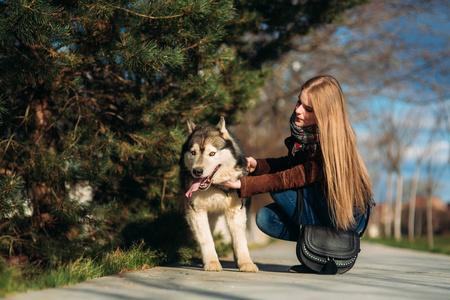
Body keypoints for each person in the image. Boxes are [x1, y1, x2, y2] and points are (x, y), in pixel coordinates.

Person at [219, 75, 373, 260]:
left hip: (344, 219)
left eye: (308, 109)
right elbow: (291, 167)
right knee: (266, 218)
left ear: (324, 115)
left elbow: (288, 178)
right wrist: (258, 165)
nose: (298, 110)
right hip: (322, 212)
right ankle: (320, 243)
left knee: (281, 188)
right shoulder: (306, 138)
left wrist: (243, 184)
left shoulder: (332, 150)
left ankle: (322, 249)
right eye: (299, 102)